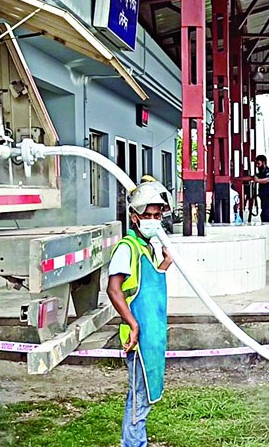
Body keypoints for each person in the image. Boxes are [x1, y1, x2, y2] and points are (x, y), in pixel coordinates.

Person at [107, 181, 174, 446]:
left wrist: (164, 263)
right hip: (137, 339)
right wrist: (133, 325)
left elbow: (144, 284)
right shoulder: (128, 247)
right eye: (147, 216)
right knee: (138, 399)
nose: (153, 221)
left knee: (142, 396)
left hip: (150, 335)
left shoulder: (145, 247)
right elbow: (114, 290)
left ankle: (134, 441)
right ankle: (134, 444)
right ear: (135, 218)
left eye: (157, 216)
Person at [252, 154, 269, 254]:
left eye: (258, 163)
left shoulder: (268, 172)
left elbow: (267, 180)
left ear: (264, 162)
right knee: (264, 219)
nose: (257, 166)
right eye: (256, 164)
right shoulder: (260, 173)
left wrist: (257, 180)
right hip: (263, 200)